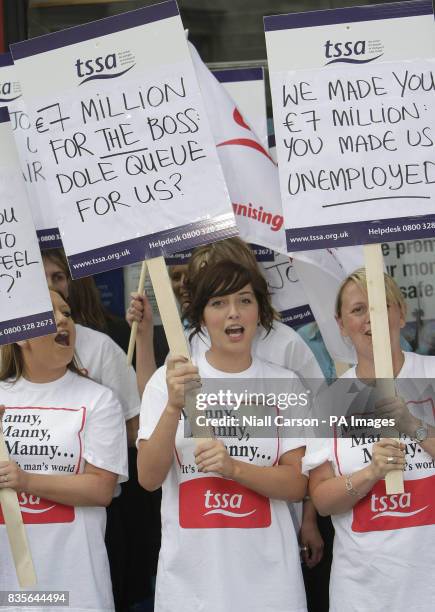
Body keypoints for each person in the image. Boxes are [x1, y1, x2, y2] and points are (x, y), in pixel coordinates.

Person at [137, 261, 308, 612]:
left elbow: (297, 484)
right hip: (191, 587)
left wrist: (234, 468)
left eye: (245, 300)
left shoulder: (285, 383)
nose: (233, 313)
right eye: (218, 303)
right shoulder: (166, 382)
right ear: (200, 317)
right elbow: (149, 479)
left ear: (260, 311)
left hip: (270, 585)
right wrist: (173, 407)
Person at [304, 269, 435, 612]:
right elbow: (322, 501)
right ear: (341, 324)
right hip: (365, 592)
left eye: (380, 305)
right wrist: (370, 473)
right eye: (358, 309)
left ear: (401, 313)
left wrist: (415, 427)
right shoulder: (329, 400)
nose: (369, 318)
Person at [0, 290, 128, 611]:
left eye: (66, 312)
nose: (63, 320)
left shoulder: (98, 399)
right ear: (20, 336)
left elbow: (101, 488)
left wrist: (25, 480)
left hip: (75, 586)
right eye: (49, 313)